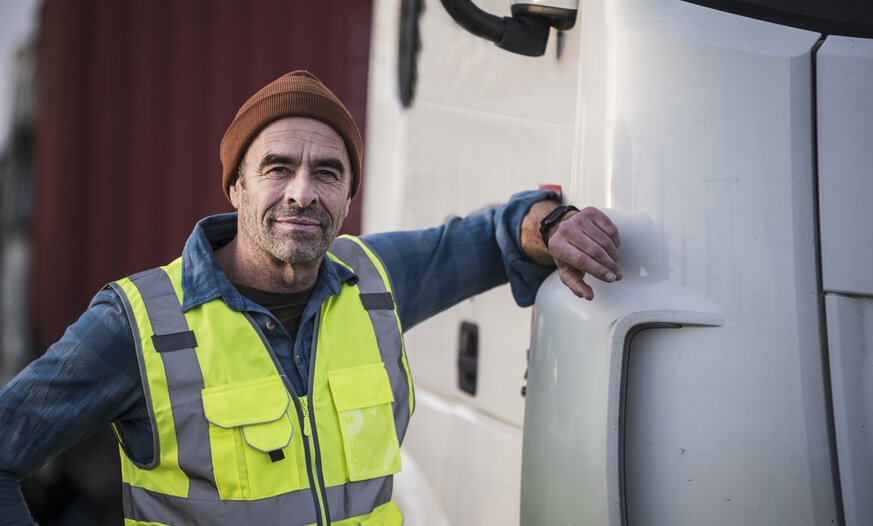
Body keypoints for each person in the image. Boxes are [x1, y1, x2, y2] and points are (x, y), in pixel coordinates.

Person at [0, 71, 621, 525]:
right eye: (277, 168)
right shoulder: (137, 323)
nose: (302, 192)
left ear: (349, 195)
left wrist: (553, 224)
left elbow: (490, 234)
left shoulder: (374, 279)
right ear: (237, 186)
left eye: (327, 172)